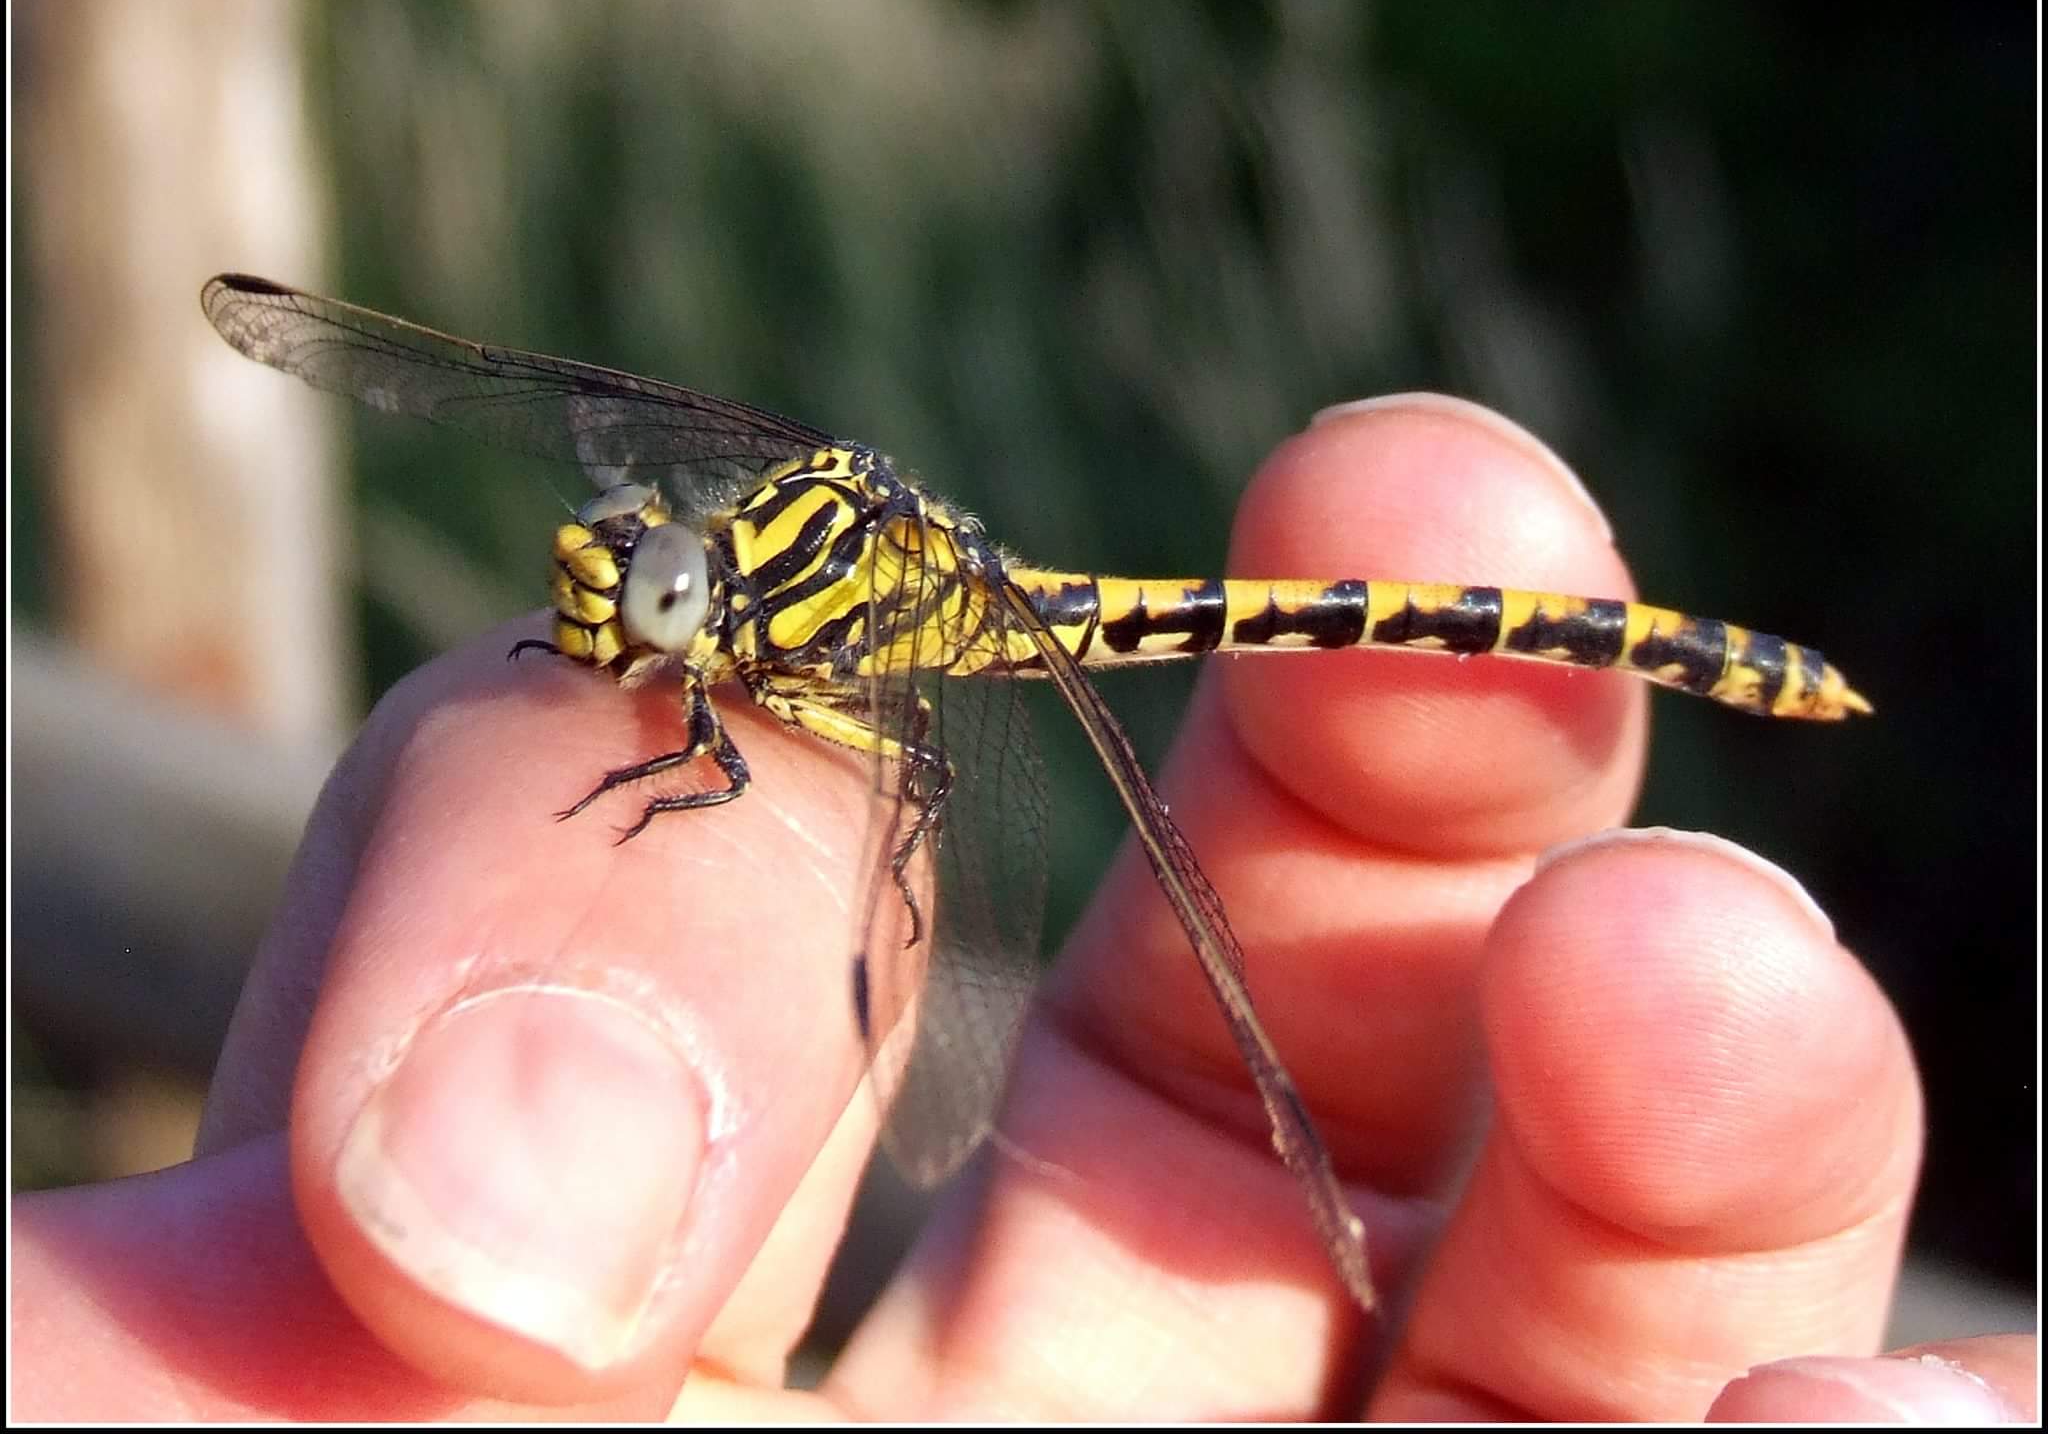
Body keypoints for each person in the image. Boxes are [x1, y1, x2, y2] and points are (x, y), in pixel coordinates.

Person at [11, 398, 2031, 1420]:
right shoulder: (734, 589)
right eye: (635, 577)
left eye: (650, 596)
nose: (623, 600)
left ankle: (1708, 655)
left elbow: (751, 763)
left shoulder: (796, 651)